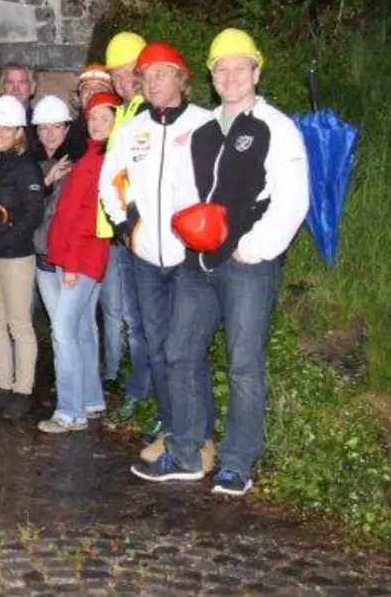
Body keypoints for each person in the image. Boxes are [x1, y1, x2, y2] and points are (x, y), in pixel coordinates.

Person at [132, 28, 308, 498]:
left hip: (249, 265)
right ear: (210, 76)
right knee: (178, 351)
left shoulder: (275, 127)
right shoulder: (204, 131)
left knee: (243, 363)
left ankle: (236, 463)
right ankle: (188, 452)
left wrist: (254, 246)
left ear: (256, 71)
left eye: (239, 67)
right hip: (199, 263)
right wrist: (181, 231)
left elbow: (293, 200)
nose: (230, 76)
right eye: (221, 68)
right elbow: (188, 195)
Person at [102, 42, 216, 470]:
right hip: (146, 260)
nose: (151, 83)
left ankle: (202, 438)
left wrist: (213, 234)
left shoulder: (207, 124)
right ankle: (173, 432)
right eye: (145, 76)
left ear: (181, 78)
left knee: (187, 350)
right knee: (156, 348)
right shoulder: (131, 129)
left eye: (160, 74)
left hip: (191, 259)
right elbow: (111, 180)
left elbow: (223, 184)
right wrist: (127, 227)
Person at [37, 91, 119, 433]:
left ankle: (70, 412)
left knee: (63, 332)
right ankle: (91, 398)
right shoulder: (93, 153)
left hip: (80, 260)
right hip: (74, 258)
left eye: (106, 117)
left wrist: (71, 265)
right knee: (83, 329)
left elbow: (88, 220)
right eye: (94, 117)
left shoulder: (105, 160)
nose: (98, 124)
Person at [96, 32, 155, 421]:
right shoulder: (125, 112)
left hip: (141, 235)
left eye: (128, 72)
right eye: (115, 76)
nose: (121, 81)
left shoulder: (149, 113)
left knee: (139, 320)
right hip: (118, 234)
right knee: (126, 316)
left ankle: (141, 388)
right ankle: (136, 383)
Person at [0, 94, 46, 421]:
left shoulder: (25, 166)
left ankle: (23, 389)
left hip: (15, 256)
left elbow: (32, 215)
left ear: (19, 131)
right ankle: (3, 384)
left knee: (19, 324)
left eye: (7, 129)